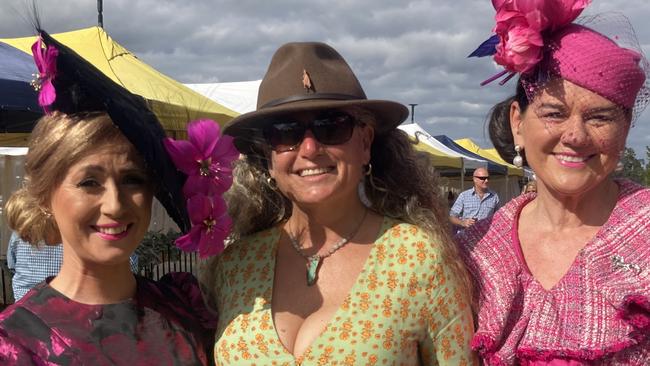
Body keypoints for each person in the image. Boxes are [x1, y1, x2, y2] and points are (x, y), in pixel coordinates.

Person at [201, 42, 476, 364]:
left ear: (365, 142)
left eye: (331, 126)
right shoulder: (237, 265)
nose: (309, 147)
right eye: (285, 132)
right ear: (267, 156)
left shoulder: (419, 257)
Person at [0, 28, 225, 364]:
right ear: (46, 195)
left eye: (133, 180)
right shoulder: (17, 343)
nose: (116, 204)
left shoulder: (186, 307)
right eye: (90, 182)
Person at [460, 2, 650, 364]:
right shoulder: (473, 254)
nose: (575, 136)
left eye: (600, 118)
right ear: (518, 122)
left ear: (624, 130)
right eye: (554, 113)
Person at [7, 231, 139, 301]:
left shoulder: (19, 232)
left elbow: (12, 265)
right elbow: (130, 267)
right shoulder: (85, 232)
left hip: (25, 302)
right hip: (72, 306)